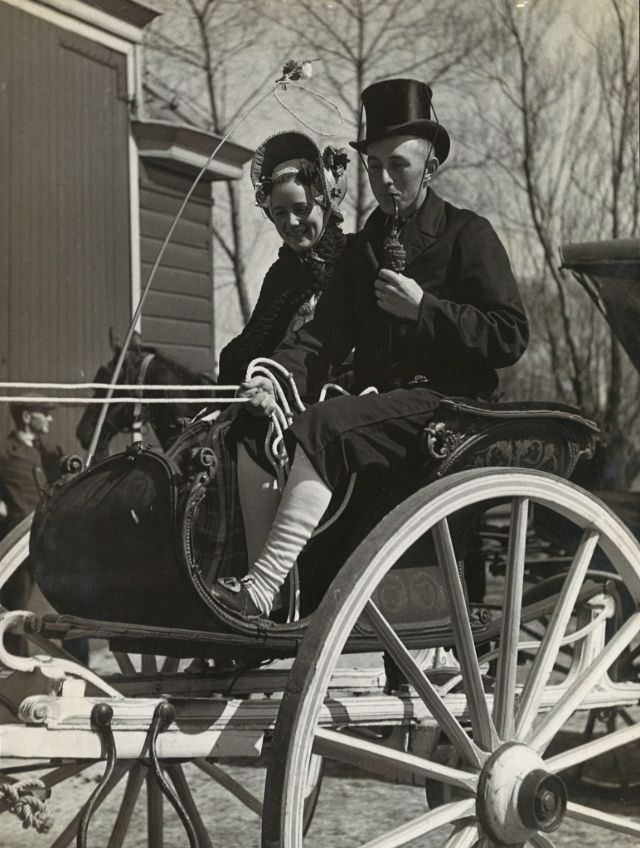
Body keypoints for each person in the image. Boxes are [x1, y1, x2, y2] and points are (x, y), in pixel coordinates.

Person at [210, 78, 529, 619]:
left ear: (430, 164)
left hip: (450, 410)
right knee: (269, 430)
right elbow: (320, 339)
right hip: (383, 411)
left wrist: (425, 309)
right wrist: (271, 376)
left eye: (398, 166)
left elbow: (509, 334)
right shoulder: (362, 252)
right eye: (373, 166)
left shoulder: (467, 235)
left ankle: (264, 589)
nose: (384, 180)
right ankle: (296, 603)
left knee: (326, 424)